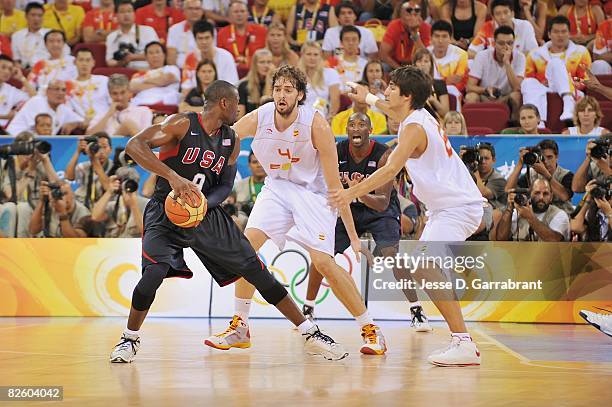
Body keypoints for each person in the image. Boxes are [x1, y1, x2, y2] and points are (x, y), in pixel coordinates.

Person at [110, 79, 348, 363]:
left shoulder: (231, 140)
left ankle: (309, 332)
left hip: (205, 214)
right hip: (165, 210)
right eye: (237, 103)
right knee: (154, 274)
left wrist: (202, 205)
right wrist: (171, 176)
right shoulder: (181, 124)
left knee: (256, 269)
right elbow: (135, 146)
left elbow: (225, 185)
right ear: (224, 103)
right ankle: (129, 339)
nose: (240, 109)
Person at [205, 66, 387, 356]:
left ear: (300, 95)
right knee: (245, 248)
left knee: (324, 263)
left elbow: (335, 188)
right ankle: (240, 325)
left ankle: (370, 328)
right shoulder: (260, 116)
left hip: (314, 194)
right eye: (278, 89)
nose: (281, 94)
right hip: (277, 187)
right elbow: (218, 139)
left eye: (288, 90)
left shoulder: (316, 125)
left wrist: (352, 234)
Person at [330, 66, 484, 366]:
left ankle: (463, 342)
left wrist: (352, 192)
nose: (386, 91)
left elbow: (390, 170)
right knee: (424, 268)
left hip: (458, 208)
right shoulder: (417, 116)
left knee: (425, 267)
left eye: (391, 87)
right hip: (444, 210)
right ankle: (461, 339)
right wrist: (369, 98)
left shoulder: (413, 128)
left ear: (407, 95)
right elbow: (392, 110)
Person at [309, 111, 432, 331]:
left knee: (391, 255)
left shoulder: (383, 155)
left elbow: (382, 203)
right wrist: (349, 193)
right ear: (346, 130)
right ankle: (308, 309)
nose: (356, 128)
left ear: (370, 130)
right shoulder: (337, 151)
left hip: (380, 212)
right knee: (321, 254)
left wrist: (358, 191)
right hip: (350, 210)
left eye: (361, 125)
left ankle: (416, 310)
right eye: (352, 125)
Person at [521, 15, 592, 125]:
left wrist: (568, 81)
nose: (560, 35)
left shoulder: (581, 52)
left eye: (564, 32)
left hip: (572, 90)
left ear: (569, 33)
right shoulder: (534, 54)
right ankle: (537, 122)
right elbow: (529, 78)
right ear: (549, 34)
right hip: (545, 88)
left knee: (555, 62)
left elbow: (585, 80)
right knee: (527, 82)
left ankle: (568, 102)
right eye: (556, 32)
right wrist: (543, 82)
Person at [0, 131, 60, 237]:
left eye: (31, 148)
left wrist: (45, 160)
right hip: (9, 211)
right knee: (15, 207)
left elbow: (58, 186)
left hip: (34, 211)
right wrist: (30, 173)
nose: (28, 154)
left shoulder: (39, 164)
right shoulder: (6, 164)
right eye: (24, 148)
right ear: (16, 149)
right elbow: (11, 196)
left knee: (24, 209)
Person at [465, 26, 525, 123]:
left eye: (510, 43)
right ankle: (472, 129)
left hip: (506, 97)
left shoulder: (520, 57)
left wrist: (507, 62)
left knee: (516, 96)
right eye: (501, 43)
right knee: (470, 97)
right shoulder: (482, 56)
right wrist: (485, 89)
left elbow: (517, 88)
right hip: (485, 96)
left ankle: (513, 128)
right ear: (494, 43)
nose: (506, 47)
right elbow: (469, 87)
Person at [505, 139, 574, 214]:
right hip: (537, 215)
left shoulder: (566, 175)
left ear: (557, 156)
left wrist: (545, 173)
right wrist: (520, 164)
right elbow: (508, 190)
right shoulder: (531, 173)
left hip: (562, 215)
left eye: (550, 157)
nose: (546, 162)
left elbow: (564, 196)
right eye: (543, 158)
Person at [494, 178, 570, 241]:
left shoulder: (559, 215)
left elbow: (554, 240)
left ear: (551, 197)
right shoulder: (518, 211)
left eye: (545, 194)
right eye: (537, 193)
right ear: (530, 194)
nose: (541, 197)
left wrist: (530, 217)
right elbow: (501, 239)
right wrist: (509, 208)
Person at [7, 79, 84, 135]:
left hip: (34, 147)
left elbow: (86, 123)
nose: (60, 93)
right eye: (56, 89)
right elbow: (41, 132)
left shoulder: (63, 109)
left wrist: (75, 124)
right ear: (47, 91)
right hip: (12, 140)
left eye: (63, 90)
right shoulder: (37, 102)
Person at [87, 74, 153, 137]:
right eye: (115, 93)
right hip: (111, 147)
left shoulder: (143, 111)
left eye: (123, 92)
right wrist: (109, 114)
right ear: (110, 94)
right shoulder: (102, 113)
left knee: (128, 124)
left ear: (129, 92)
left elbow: (147, 137)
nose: (119, 98)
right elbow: (89, 137)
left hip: (135, 147)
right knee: (128, 124)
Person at [468, 0, 538, 59]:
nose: (502, 17)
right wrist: (492, 59)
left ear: (512, 13)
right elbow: (471, 52)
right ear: (493, 17)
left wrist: (510, 60)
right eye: (498, 14)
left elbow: (533, 52)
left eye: (506, 12)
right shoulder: (488, 27)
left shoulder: (525, 26)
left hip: (518, 67)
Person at [91, 169, 149, 238]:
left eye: (132, 183)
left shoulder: (147, 204)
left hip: (134, 246)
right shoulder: (113, 205)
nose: (128, 186)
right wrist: (109, 191)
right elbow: (95, 217)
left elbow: (146, 232)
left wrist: (133, 205)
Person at [11, 2, 70, 70]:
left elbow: (66, 51)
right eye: (33, 15)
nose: (36, 19)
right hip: (24, 70)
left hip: (48, 69)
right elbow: (16, 60)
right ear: (26, 16)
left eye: (40, 15)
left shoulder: (52, 34)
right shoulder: (16, 36)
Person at [181, 20, 239, 88]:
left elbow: (233, 85)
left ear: (213, 38)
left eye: (207, 38)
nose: (204, 42)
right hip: (197, 96)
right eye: (200, 38)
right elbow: (185, 86)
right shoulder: (191, 58)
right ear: (195, 39)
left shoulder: (226, 57)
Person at [105, 0, 160, 70]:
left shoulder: (148, 31)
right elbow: (109, 61)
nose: (126, 14)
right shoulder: (111, 37)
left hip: (147, 71)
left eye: (129, 11)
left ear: (134, 14)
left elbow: (158, 55)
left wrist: (133, 57)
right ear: (116, 16)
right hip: (124, 73)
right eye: (122, 12)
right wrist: (122, 62)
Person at [65, 132, 113, 208]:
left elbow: (108, 188)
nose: (101, 152)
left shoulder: (115, 167)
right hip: (84, 205)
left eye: (104, 147)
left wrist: (94, 161)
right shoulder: (83, 167)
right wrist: (78, 151)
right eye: (98, 147)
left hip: (105, 207)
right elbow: (68, 176)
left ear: (111, 150)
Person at [427, 20, 468, 108]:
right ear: (431, 38)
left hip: (453, 91)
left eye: (444, 36)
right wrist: (446, 80)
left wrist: (439, 81)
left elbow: (458, 81)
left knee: (452, 90)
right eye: (437, 36)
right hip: (429, 90)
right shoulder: (425, 54)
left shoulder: (461, 54)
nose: (440, 40)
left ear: (450, 38)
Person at [216, 1, 267, 72]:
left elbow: (266, 54)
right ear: (229, 15)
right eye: (236, 12)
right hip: (231, 70)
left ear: (248, 14)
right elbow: (220, 57)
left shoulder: (261, 31)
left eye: (242, 11)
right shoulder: (222, 33)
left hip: (256, 70)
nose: (239, 14)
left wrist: (247, 60)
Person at [380, 1, 431, 69]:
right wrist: (401, 71)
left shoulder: (426, 27)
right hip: (396, 65)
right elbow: (383, 55)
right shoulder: (394, 26)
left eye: (416, 13)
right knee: (384, 67)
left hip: (418, 65)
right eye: (409, 12)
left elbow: (425, 57)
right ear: (401, 15)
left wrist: (415, 34)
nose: (412, 17)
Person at [66, 48, 111, 123]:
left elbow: (113, 104)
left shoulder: (104, 80)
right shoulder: (68, 85)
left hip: (105, 122)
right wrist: (80, 122)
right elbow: (68, 110)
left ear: (93, 63)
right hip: (84, 125)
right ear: (75, 62)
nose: (84, 64)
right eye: (81, 60)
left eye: (88, 60)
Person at [129, 42, 181, 107]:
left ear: (164, 55)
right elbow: (133, 87)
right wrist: (159, 82)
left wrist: (143, 81)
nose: (155, 55)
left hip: (164, 104)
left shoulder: (172, 68)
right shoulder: (139, 74)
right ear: (146, 57)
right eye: (151, 53)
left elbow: (166, 79)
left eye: (157, 52)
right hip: (140, 103)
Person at [299, 41, 341, 120]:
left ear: (320, 56)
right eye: (308, 54)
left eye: (315, 54)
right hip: (300, 118)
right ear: (302, 56)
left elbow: (335, 101)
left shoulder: (331, 73)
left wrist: (329, 119)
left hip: (323, 118)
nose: (312, 58)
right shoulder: (295, 75)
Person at [27, 30, 77, 94]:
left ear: (64, 44)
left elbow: (78, 84)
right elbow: (29, 85)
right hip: (42, 98)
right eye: (51, 41)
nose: (55, 44)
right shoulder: (40, 64)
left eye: (59, 41)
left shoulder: (74, 61)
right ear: (45, 44)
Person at [327, 25, 368, 93]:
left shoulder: (366, 64)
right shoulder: (332, 63)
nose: (350, 43)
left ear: (359, 41)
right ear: (341, 42)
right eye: (347, 39)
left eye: (354, 39)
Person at [413, 48, 449, 120]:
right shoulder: (408, 84)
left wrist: (433, 100)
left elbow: (445, 113)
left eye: (426, 61)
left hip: (434, 121)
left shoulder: (440, 84)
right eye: (419, 61)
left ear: (431, 65)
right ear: (414, 65)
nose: (423, 64)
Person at [237, 48, 273, 119]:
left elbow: (269, 110)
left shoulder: (276, 86)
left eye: (269, 62)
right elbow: (239, 117)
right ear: (254, 65)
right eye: (262, 62)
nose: (266, 66)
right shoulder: (244, 86)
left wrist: (269, 79)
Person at [166, 0, 204, 67]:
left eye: (197, 8)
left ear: (202, 12)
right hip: (179, 69)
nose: (194, 12)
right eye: (190, 8)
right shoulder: (174, 29)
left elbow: (210, 55)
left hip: (202, 69)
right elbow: (171, 59)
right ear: (184, 11)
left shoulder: (209, 29)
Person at [0, 55, 29, 130]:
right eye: (3, 67)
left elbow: (35, 99)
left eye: (10, 69)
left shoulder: (10, 91)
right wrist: (5, 117)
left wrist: (22, 78)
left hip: (3, 133)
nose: (7, 71)